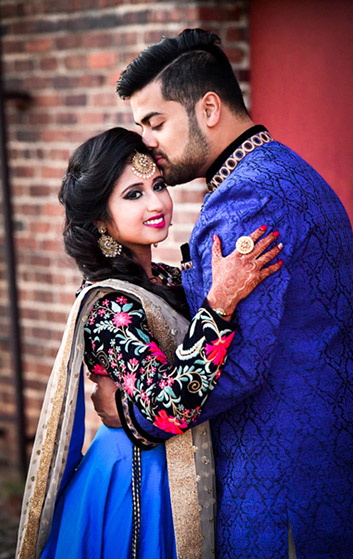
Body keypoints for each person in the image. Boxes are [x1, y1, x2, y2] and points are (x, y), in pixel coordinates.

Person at [115, 28, 353, 558]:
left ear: (208, 108)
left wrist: (134, 411)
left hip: (280, 493)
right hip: (340, 465)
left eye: (155, 122)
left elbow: (235, 369)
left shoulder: (243, 201)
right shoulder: (292, 169)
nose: (147, 142)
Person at [16, 127, 283, 559]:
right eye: (133, 194)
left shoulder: (170, 279)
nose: (157, 202)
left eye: (158, 185)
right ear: (101, 219)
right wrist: (218, 304)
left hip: (180, 472)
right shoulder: (110, 305)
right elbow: (168, 405)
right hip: (139, 482)